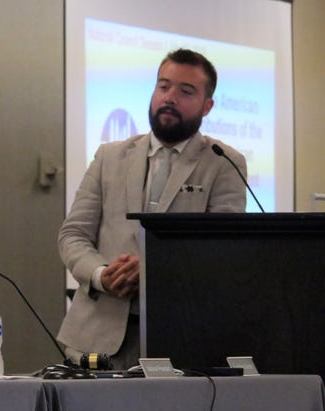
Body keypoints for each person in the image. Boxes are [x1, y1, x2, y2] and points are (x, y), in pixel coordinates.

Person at [56, 49, 247, 370]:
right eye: (163, 86)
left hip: (181, 334)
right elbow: (73, 235)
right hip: (97, 338)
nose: (170, 97)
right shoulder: (110, 156)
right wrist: (103, 275)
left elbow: (222, 252)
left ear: (207, 106)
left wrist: (153, 270)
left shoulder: (223, 163)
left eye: (186, 91)